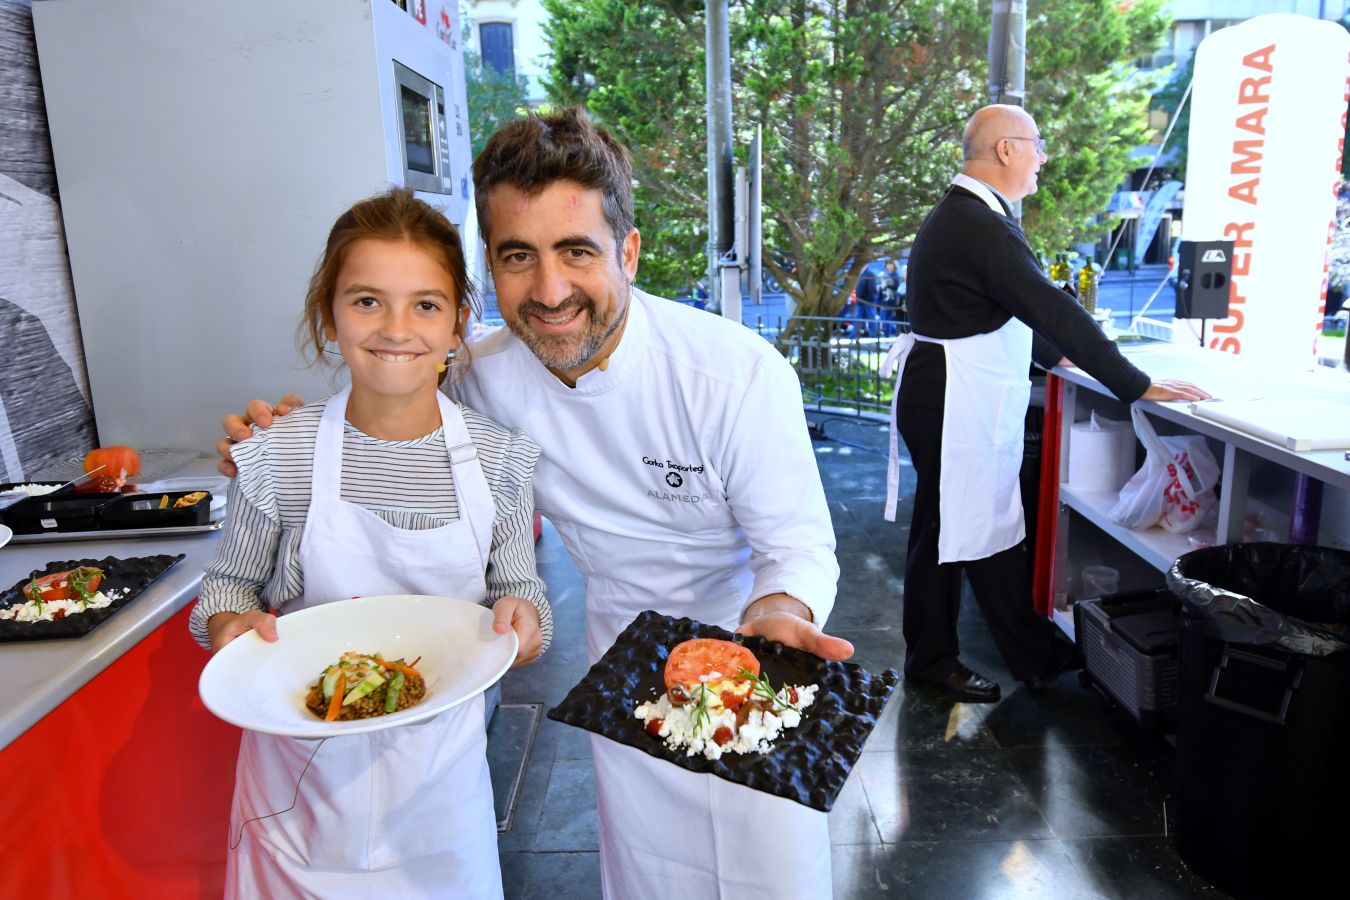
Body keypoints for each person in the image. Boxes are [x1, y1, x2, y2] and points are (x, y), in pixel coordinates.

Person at [220, 109, 850, 900]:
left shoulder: (734, 375)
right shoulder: (483, 372)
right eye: (520, 257)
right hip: (622, 652)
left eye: (577, 252)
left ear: (627, 250)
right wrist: (278, 435)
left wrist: (784, 612)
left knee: (770, 871)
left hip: (752, 645)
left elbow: (795, 542)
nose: (549, 292)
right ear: (490, 263)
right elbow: (385, 388)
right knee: (650, 867)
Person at [194, 189, 551, 897]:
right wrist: (232, 625)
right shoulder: (278, 453)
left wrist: (525, 624)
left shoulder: (501, 460)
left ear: (458, 325)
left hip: (440, 795)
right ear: (329, 316)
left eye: (425, 304)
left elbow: (522, 591)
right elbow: (225, 589)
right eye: (366, 301)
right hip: (296, 795)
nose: (396, 327)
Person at [882, 104, 1209, 703]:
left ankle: (1031, 654)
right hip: (955, 400)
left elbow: (1002, 309)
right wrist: (1133, 383)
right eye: (1036, 145)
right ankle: (933, 662)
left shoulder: (974, 216)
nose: (1042, 159)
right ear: (1004, 150)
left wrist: (1057, 358)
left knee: (982, 527)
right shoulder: (978, 222)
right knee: (944, 533)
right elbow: (1050, 306)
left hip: (957, 395)